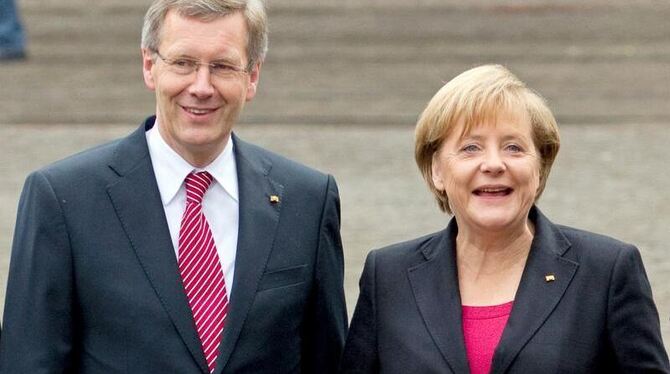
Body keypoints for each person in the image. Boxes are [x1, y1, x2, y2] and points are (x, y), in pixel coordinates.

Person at [0, 0, 347, 372]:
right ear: (150, 66)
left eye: (223, 66)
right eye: (183, 63)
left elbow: (329, 361)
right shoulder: (64, 199)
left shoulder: (307, 201)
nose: (201, 86)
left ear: (252, 77)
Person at [339, 64, 669, 373]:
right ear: (437, 169)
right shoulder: (388, 276)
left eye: (513, 147)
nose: (494, 164)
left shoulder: (607, 271)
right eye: (471, 148)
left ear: (540, 167)